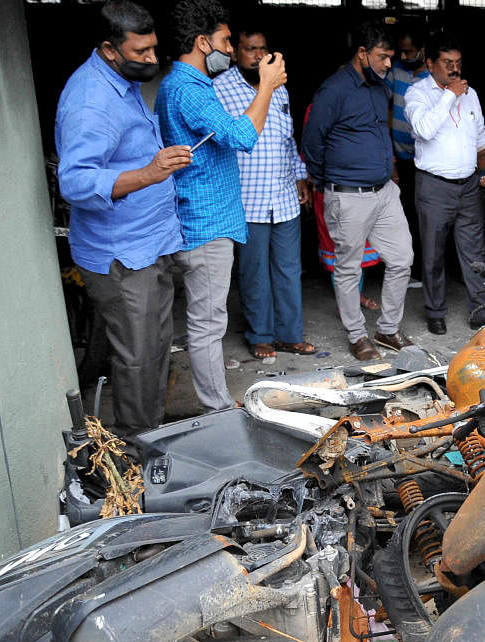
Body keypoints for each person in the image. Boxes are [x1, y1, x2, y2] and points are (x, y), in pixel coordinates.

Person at [55, 0, 189, 435]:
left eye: (154, 49)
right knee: (137, 355)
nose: (152, 59)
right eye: (141, 53)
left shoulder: (120, 80)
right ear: (110, 49)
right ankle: (137, 447)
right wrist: (149, 172)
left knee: (153, 348)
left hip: (149, 243)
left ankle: (150, 428)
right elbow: (75, 182)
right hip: (123, 256)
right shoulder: (91, 102)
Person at [156, 0, 288, 411]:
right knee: (208, 324)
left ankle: (216, 402)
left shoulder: (185, 87)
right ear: (201, 42)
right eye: (225, 41)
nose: (230, 50)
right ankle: (217, 408)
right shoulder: (187, 89)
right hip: (205, 221)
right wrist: (265, 85)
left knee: (208, 320)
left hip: (209, 216)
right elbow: (241, 135)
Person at [302, 21, 415, 361]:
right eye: (382, 57)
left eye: (391, 57)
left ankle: (388, 328)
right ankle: (356, 334)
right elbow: (311, 143)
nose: (388, 64)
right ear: (362, 53)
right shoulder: (333, 91)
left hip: (384, 193)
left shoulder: (380, 87)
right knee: (348, 267)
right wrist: (330, 184)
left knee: (401, 258)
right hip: (348, 194)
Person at [214, 28, 315, 365]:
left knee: (288, 269)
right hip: (247, 199)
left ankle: (289, 335)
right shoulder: (220, 88)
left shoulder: (280, 86)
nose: (257, 56)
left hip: (283, 195)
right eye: (249, 49)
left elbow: (288, 140)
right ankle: (260, 336)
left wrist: (300, 176)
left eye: (262, 49)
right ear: (235, 52)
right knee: (254, 272)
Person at [404, 32, 485, 335]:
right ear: (430, 63)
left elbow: (480, 134)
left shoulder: (471, 94)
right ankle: (435, 311)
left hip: (468, 184)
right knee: (432, 253)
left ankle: (480, 309)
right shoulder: (417, 94)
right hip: (434, 187)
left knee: (474, 251)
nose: (455, 69)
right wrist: (450, 94)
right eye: (447, 63)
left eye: (457, 63)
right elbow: (424, 130)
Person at [389, 27, 430, 286]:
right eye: (401, 51)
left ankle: (424, 270)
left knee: (424, 215)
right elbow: (384, 106)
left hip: (424, 161)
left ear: (423, 50)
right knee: (405, 214)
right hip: (400, 157)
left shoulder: (432, 77)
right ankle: (411, 267)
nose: (404, 56)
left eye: (409, 51)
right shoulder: (395, 71)